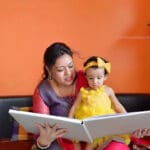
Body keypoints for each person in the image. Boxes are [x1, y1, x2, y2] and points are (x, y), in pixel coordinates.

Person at [32, 42, 130, 150]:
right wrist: (43, 142)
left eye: (71, 66)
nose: (68, 73)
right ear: (49, 70)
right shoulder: (43, 91)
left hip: (97, 138)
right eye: (60, 70)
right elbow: (39, 130)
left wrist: (131, 125)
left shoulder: (88, 77)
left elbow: (106, 103)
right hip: (65, 142)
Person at [69, 56, 130, 150]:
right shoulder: (83, 92)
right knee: (88, 145)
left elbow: (118, 106)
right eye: (91, 78)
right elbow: (74, 107)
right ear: (86, 77)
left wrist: (129, 119)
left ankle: (103, 145)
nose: (95, 82)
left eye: (99, 78)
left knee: (109, 138)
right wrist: (70, 120)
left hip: (105, 123)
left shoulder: (108, 90)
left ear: (105, 77)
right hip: (90, 125)